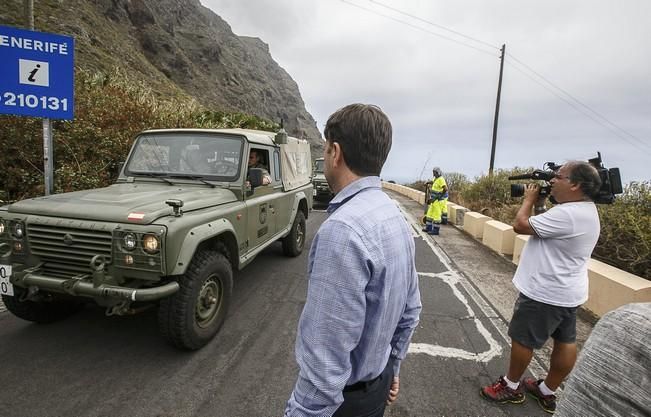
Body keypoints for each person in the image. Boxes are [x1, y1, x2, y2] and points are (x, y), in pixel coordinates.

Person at [284, 104, 422, 417]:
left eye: (324, 148)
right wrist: (393, 368)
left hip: (343, 405)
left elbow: (325, 356)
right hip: (377, 387)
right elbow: (411, 309)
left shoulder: (343, 231)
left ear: (335, 152)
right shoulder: (395, 217)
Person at [480, 161, 602, 414]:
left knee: (523, 338)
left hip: (545, 292)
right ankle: (547, 391)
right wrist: (540, 205)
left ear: (575, 184)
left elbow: (521, 226)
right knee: (565, 341)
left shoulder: (568, 214)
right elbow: (546, 227)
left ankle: (510, 386)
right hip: (568, 292)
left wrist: (528, 199)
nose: (552, 181)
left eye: (558, 177)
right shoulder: (584, 211)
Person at [555, 302, 650, 417]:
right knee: (565, 340)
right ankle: (546, 391)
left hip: (549, 295)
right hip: (572, 295)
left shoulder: (626, 319)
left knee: (528, 342)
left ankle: (544, 391)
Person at [422, 167, 448, 234]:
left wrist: (439, 196)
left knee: (437, 215)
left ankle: (436, 230)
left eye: (435, 172)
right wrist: (428, 182)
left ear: (438, 172)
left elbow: (445, 189)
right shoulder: (435, 178)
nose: (433, 173)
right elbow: (433, 182)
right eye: (433, 172)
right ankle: (428, 228)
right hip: (433, 200)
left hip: (438, 200)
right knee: (429, 214)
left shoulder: (441, 179)